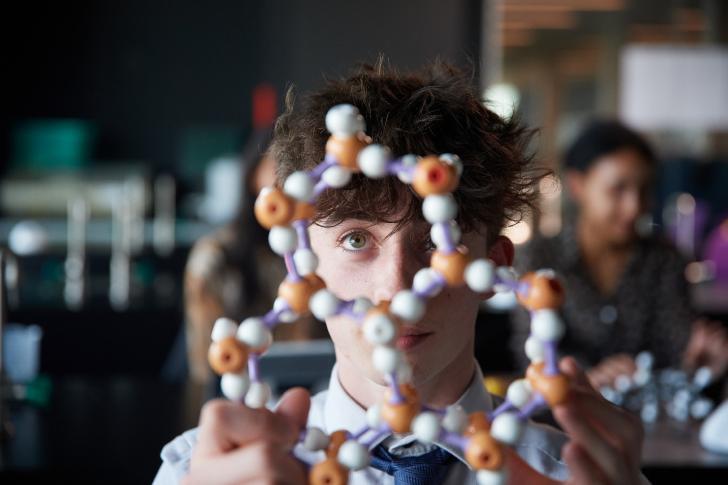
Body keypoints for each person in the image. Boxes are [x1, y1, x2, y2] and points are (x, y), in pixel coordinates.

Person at [154, 61, 646, 484]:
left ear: (495, 263)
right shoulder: (202, 471)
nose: (397, 289)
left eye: (437, 241)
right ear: (301, 266)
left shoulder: (574, 475)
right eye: (355, 240)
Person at [511, 120, 728, 389]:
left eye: (644, 190)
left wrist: (698, 361)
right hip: (563, 415)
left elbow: (677, 350)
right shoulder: (539, 256)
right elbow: (532, 351)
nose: (634, 207)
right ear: (578, 184)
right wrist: (586, 379)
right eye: (618, 189)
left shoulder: (664, 260)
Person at [184, 130, 327, 385]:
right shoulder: (215, 258)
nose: (291, 180)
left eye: (301, 167)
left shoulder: (323, 251)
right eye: (279, 165)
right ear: (252, 175)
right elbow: (206, 368)